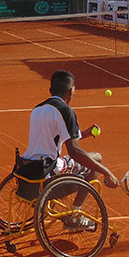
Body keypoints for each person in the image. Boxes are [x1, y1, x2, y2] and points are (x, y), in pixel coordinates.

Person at [20, 70, 119, 231]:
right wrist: (106, 171)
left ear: (50, 90)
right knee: (97, 159)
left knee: (82, 159)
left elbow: (53, 137)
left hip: (27, 171)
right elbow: (74, 152)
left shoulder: (37, 109)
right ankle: (75, 214)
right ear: (71, 90)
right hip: (47, 174)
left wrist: (83, 134)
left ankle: (73, 213)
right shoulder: (66, 111)